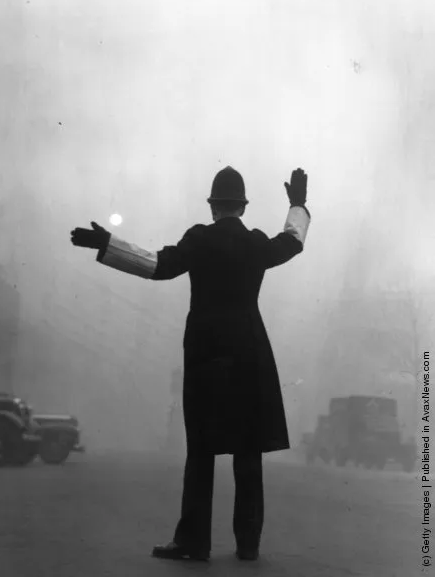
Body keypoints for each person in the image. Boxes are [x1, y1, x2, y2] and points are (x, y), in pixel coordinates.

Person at [70, 166, 310, 562]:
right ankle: (248, 543)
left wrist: (107, 244)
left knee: (201, 448)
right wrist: (298, 203)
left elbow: (155, 265)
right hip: (250, 351)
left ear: (213, 205)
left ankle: (194, 541)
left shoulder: (199, 239)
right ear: (243, 207)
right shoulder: (255, 245)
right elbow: (292, 241)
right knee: (248, 449)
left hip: (207, 351)